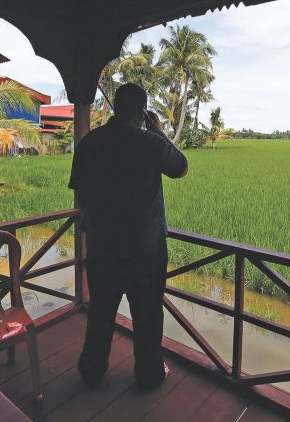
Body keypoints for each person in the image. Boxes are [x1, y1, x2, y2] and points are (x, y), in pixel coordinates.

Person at [69, 82, 188, 389]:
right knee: (147, 317)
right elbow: (181, 167)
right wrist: (158, 131)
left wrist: (91, 223)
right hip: (144, 251)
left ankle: (92, 370)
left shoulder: (90, 142)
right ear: (142, 111)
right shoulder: (149, 142)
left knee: (101, 313)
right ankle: (149, 375)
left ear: (116, 107)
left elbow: (80, 193)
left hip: (102, 248)